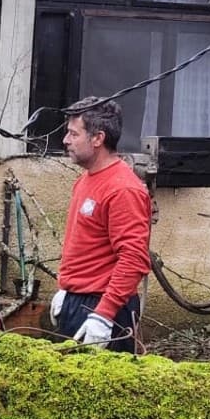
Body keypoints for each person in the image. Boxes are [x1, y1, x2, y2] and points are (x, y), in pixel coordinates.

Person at [51, 97, 151, 351]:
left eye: (74, 134)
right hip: (78, 302)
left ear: (98, 139)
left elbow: (133, 259)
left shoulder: (123, 189)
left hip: (104, 309)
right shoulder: (85, 180)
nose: (66, 140)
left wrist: (104, 313)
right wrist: (66, 289)